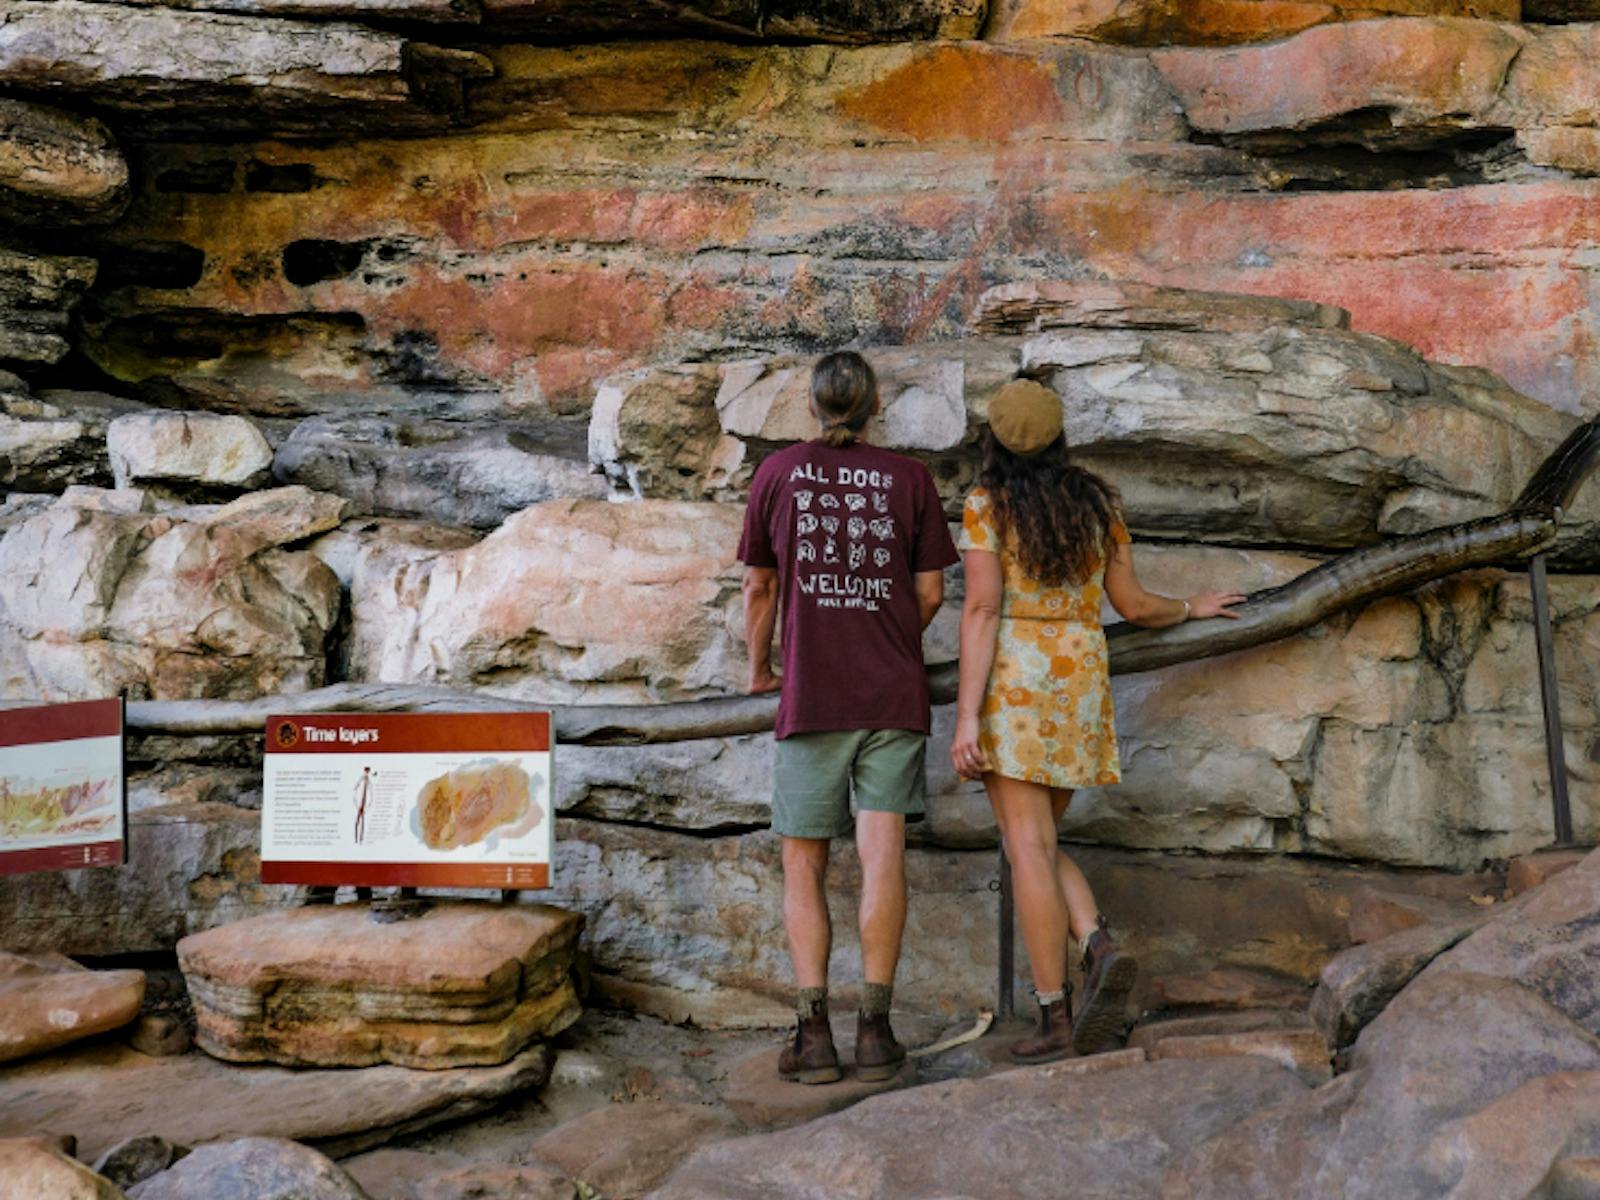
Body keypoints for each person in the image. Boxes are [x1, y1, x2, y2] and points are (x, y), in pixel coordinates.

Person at [951, 378, 1244, 1064]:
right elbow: (1133, 605)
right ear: (1059, 437)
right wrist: (1190, 607)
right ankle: (1096, 941)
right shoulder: (1096, 504)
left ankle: (1054, 1014)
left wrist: (966, 716)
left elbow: (983, 610)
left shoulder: (986, 505)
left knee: (1027, 848)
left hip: (1017, 682)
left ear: (993, 441)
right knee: (1038, 842)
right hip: (1080, 679)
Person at [739, 350, 959, 1085]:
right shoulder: (910, 479)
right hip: (892, 695)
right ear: (875, 409)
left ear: (812, 405)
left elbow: (760, 587)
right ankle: (875, 1032)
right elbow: (931, 594)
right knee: (882, 855)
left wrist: (760, 669)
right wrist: (890, 640)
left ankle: (813, 1037)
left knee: (803, 863)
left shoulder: (777, 473)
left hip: (813, 696)